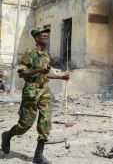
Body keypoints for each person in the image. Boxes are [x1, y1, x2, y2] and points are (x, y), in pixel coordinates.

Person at [1, 28, 70, 164]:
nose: (46, 37)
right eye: (43, 36)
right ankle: (8, 135)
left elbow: (46, 73)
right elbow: (22, 73)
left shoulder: (47, 55)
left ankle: (38, 155)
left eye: (47, 36)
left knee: (45, 122)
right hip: (31, 91)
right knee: (25, 125)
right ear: (37, 38)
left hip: (44, 90)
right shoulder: (30, 53)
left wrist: (60, 77)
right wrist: (38, 70)